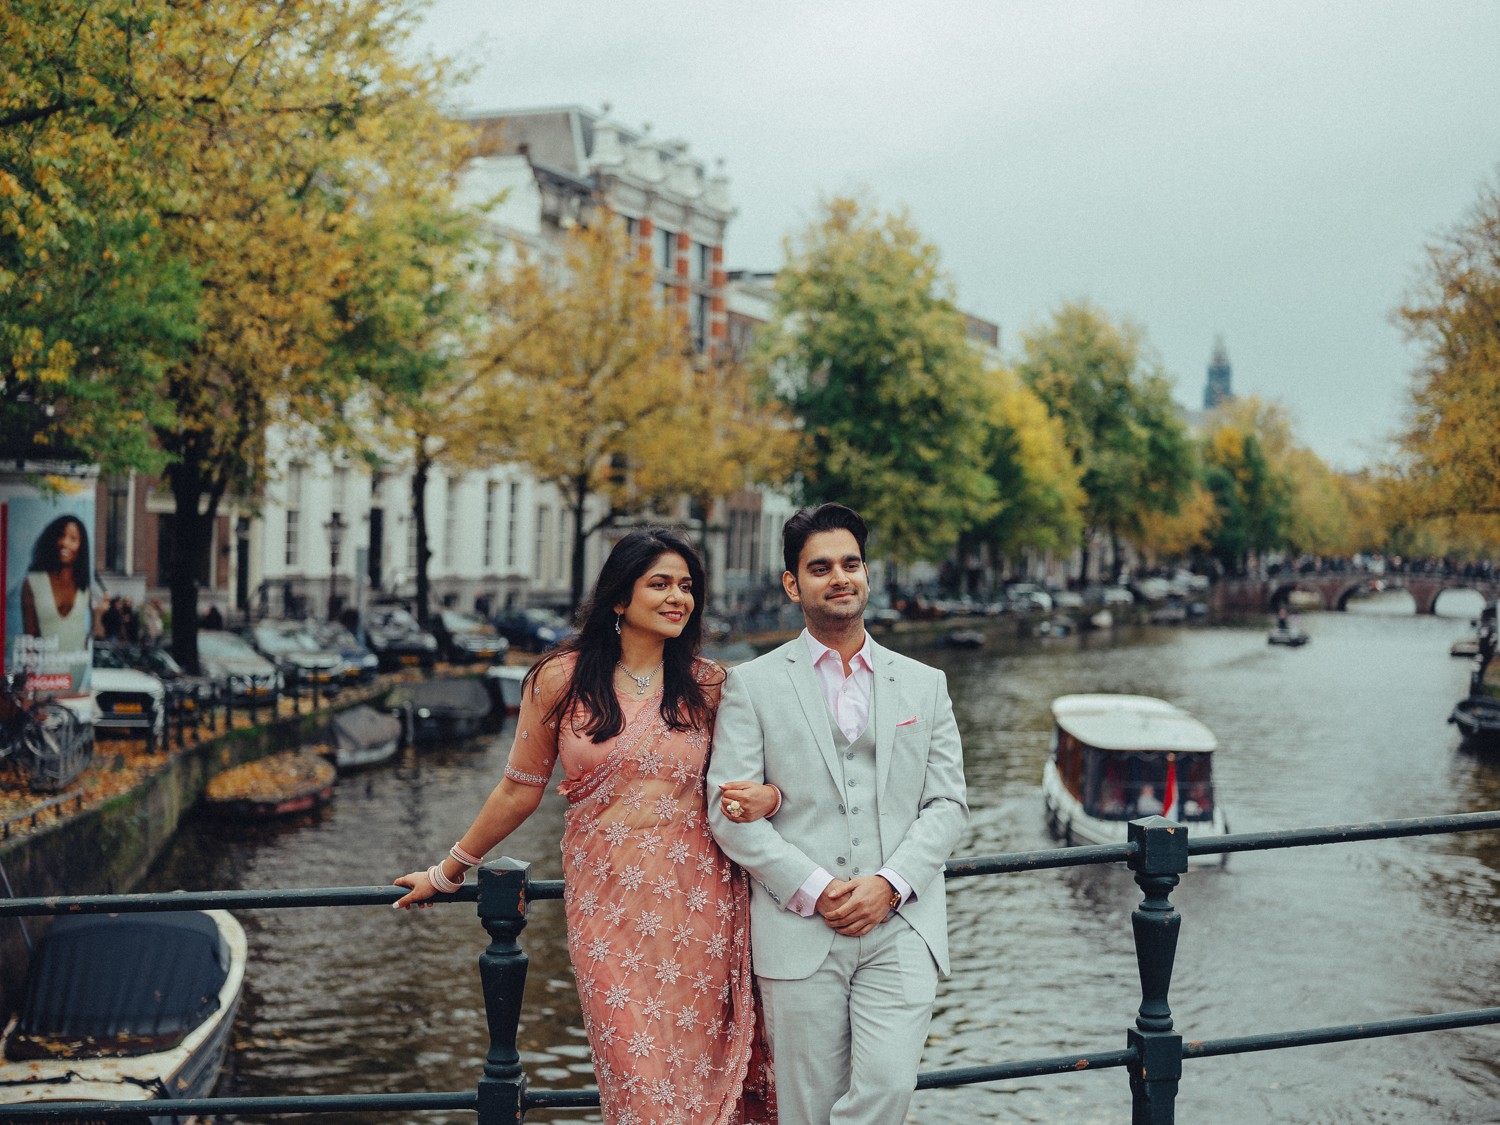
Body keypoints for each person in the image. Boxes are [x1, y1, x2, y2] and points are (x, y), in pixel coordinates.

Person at [393, 528, 777, 1124]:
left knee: (699, 1081)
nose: (678, 597)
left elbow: (775, 781)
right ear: (619, 598)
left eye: (686, 586)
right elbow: (520, 789)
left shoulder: (711, 686)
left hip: (700, 908)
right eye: (660, 584)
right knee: (638, 1078)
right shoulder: (560, 680)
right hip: (608, 910)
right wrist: (447, 873)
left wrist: (768, 796)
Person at [707, 503, 969, 1125]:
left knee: (888, 1086)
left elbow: (948, 803)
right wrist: (817, 888)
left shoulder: (924, 684)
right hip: (800, 931)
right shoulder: (752, 684)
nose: (840, 577)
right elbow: (730, 813)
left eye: (851, 563)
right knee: (806, 1109)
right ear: (793, 584)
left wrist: (890, 884)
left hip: (901, 926)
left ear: (867, 575)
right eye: (820, 568)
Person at [19, 514, 93, 693]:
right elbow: (29, 641)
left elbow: (90, 635)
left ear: (81, 546)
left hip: (76, 676)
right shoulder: (33, 582)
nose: (65, 543)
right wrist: (28, 691)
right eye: (61, 536)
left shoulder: (85, 587)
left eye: (73, 539)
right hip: (45, 679)